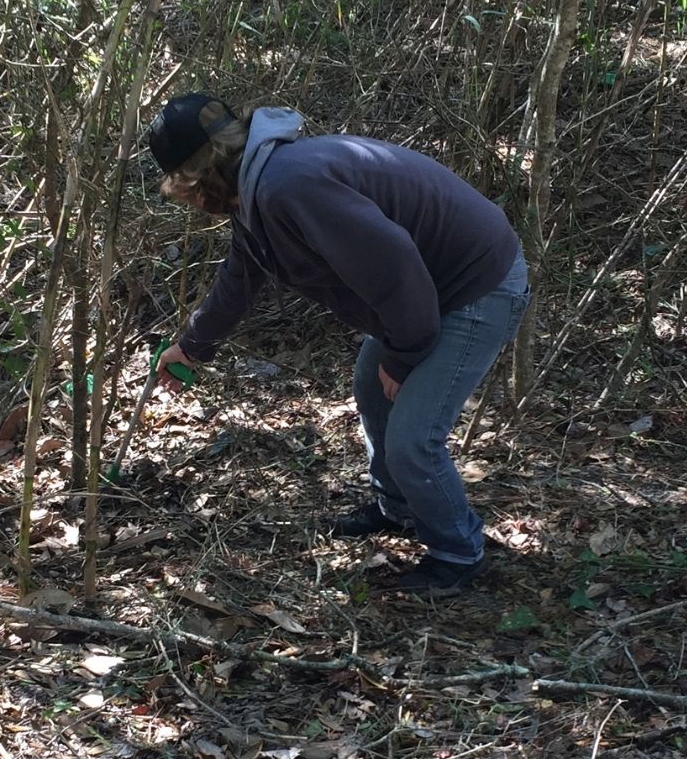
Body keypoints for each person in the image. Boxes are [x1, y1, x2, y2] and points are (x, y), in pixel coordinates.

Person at [147, 93, 529, 595]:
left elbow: (395, 263)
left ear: (205, 173)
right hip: (430, 290)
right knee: (372, 391)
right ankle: (398, 508)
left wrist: (404, 352)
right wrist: (194, 345)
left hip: (476, 285)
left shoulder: (290, 185)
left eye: (186, 187)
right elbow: (241, 275)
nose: (191, 202)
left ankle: (458, 553)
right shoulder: (257, 189)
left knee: (413, 440)